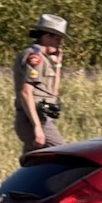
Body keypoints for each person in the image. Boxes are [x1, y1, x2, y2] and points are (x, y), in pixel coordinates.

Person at [13, 14, 67, 160]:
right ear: (47, 36)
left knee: (35, 163)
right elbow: (26, 92)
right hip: (35, 117)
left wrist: (57, 65)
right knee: (64, 155)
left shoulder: (45, 59)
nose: (59, 44)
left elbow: (53, 93)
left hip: (44, 116)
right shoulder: (34, 58)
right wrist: (37, 127)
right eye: (57, 39)